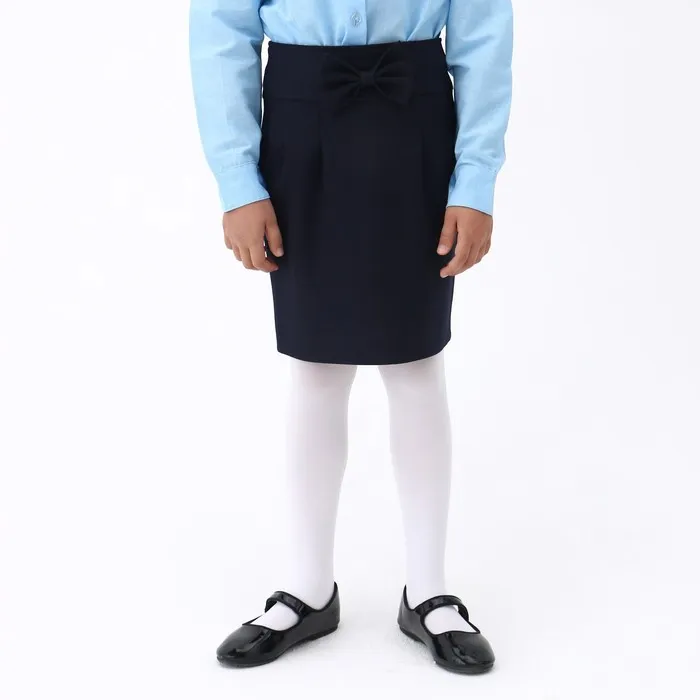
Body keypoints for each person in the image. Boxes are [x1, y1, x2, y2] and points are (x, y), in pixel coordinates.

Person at [188, 0, 513, 674]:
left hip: (416, 121)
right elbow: (221, 33)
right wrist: (238, 182)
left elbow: (484, 35)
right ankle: (308, 589)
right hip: (300, 121)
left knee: (417, 363)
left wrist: (476, 181)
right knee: (315, 366)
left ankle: (429, 592)